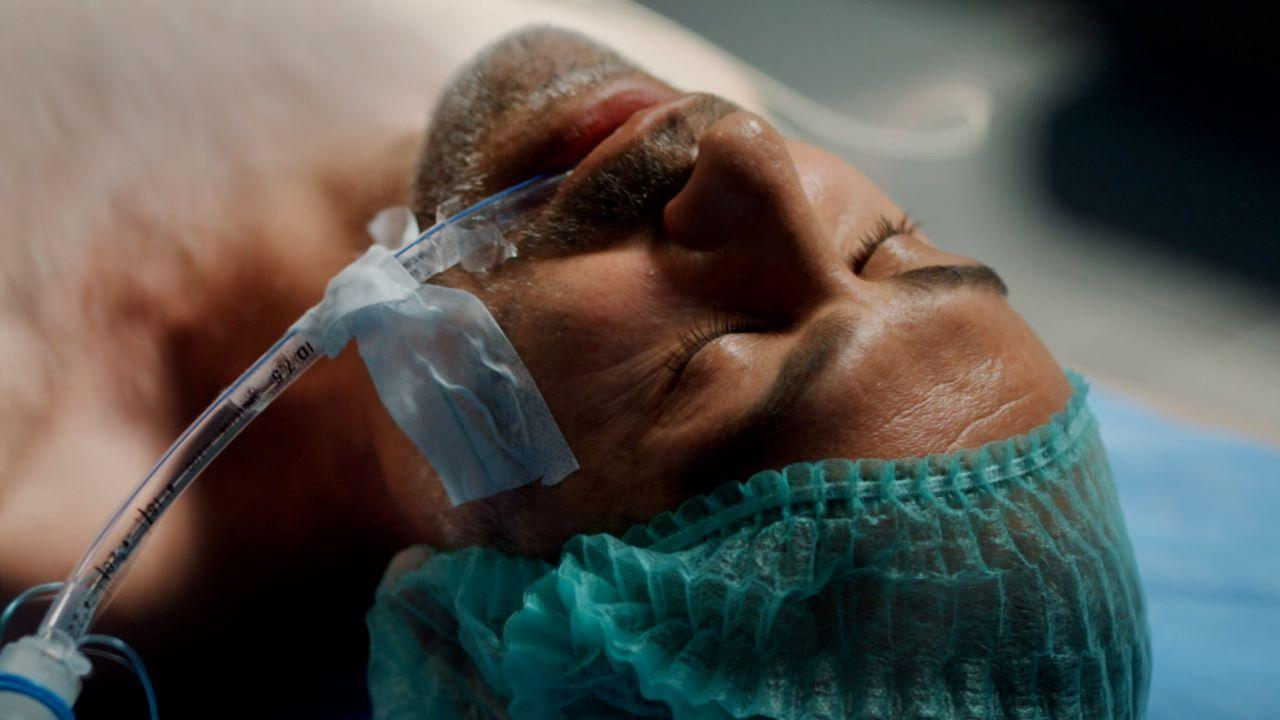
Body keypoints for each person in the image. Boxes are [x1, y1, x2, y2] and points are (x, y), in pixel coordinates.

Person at [0, 7, 1148, 718]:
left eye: (710, 359)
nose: (743, 149)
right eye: (885, 245)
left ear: (494, 623)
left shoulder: (31, 457)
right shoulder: (618, 83)